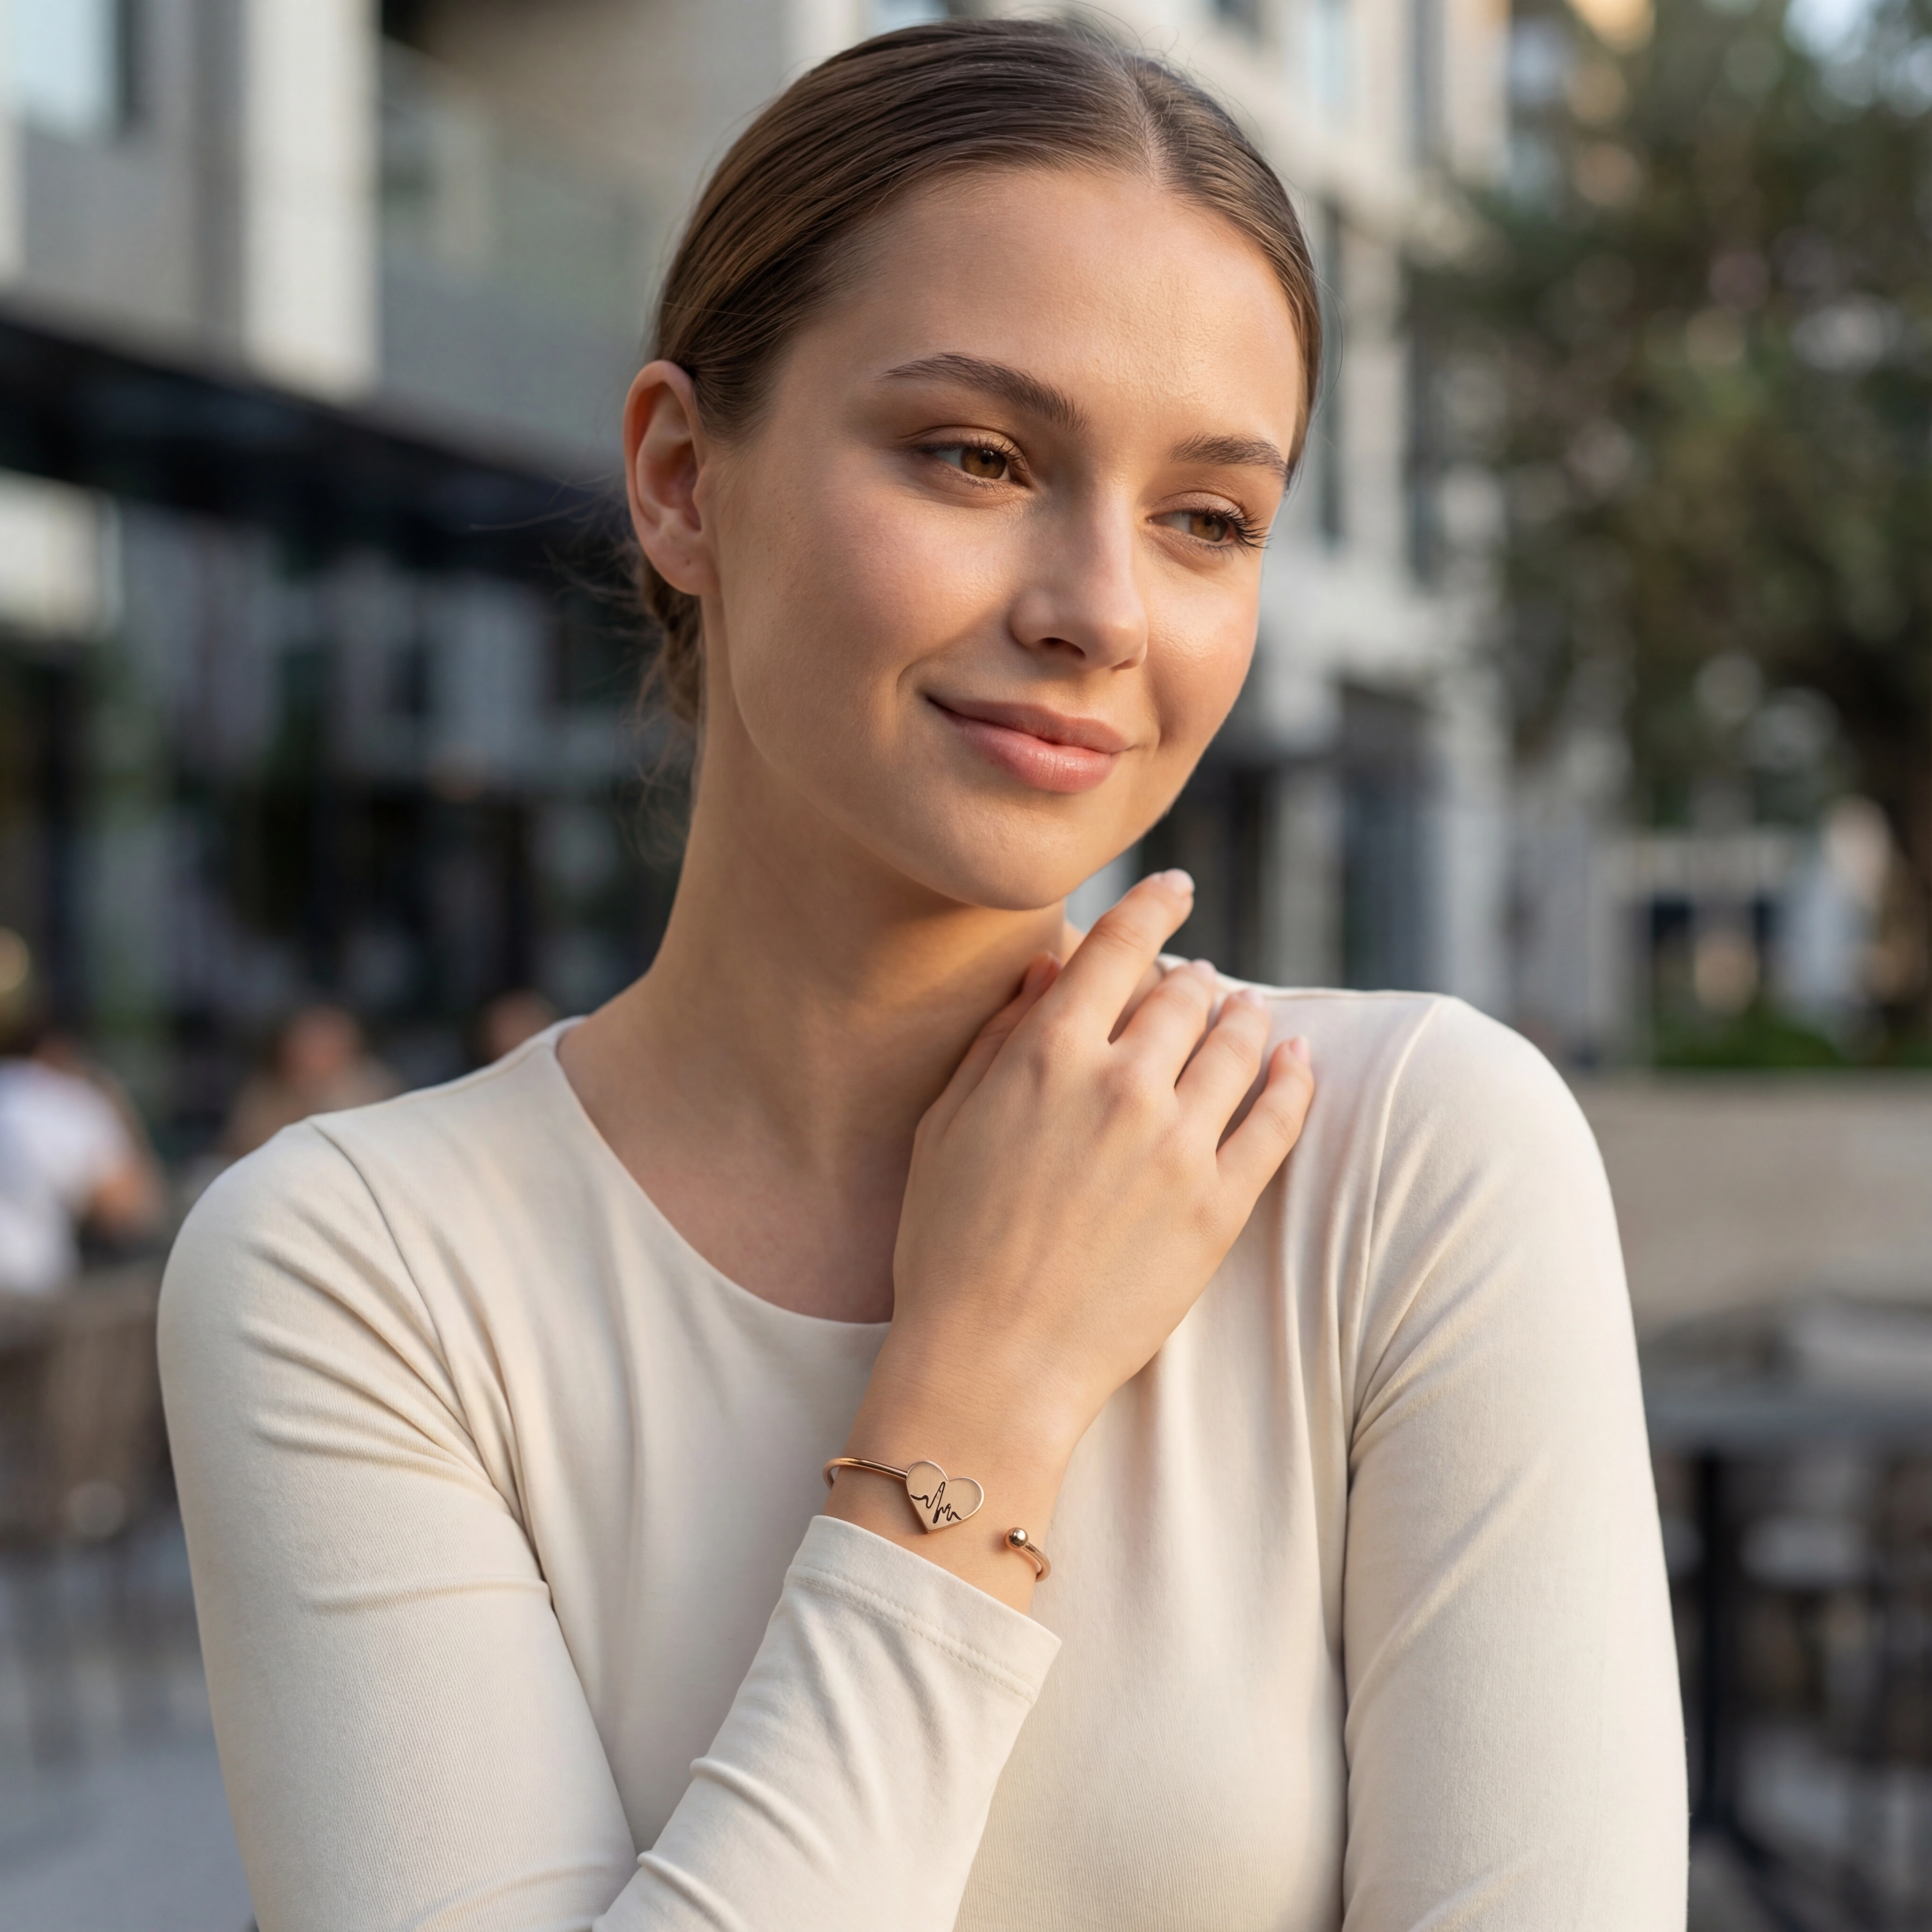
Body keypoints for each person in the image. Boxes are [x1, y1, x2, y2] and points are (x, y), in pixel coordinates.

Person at [158, 22, 1687, 1931]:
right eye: (976, 455)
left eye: (1204, 516)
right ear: (679, 478)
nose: (1101, 610)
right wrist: (982, 1392)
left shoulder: (1408, 1167)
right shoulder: (362, 1273)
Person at [0, 1019, 163, 1298]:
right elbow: (135, 1210)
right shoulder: (61, 1097)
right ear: (57, 1050)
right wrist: (115, 1102)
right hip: (27, 1304)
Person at [220, 1002, 400, 1159]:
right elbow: (246, 1151)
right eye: (309, 1042)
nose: (317, 1052)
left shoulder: (373, 1086)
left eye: (327, 1043)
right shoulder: (266, 1092)